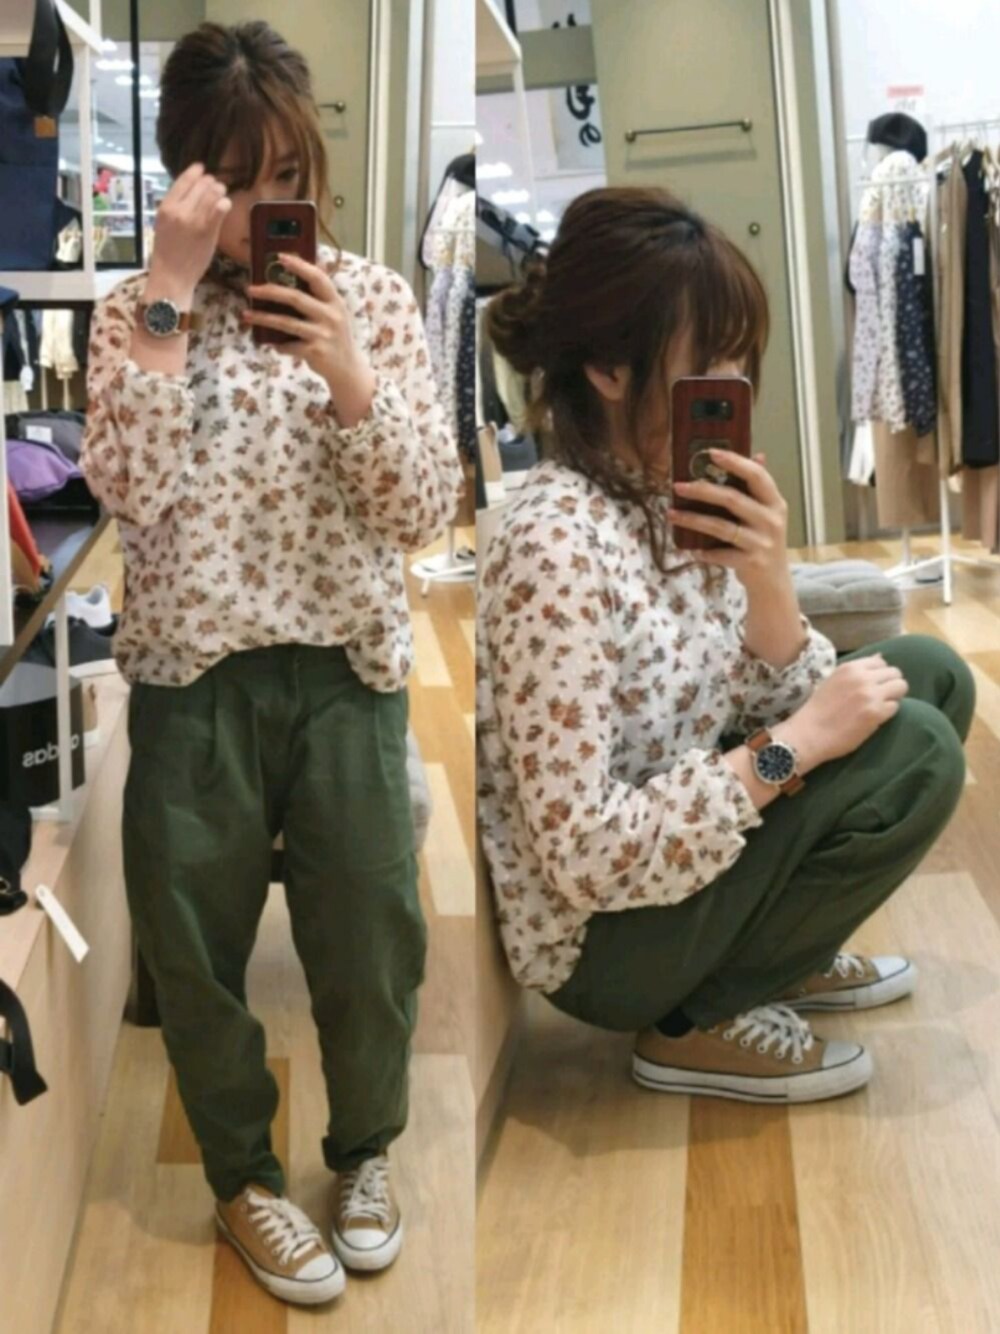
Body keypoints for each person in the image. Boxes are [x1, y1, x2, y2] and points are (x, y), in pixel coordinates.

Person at [81, 21, 462, 1307]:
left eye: (286, 175)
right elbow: (129, 491)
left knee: (372, 932)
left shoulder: (379, 301)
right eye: (233, 181)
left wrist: (345, 368)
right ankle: (242, 1177)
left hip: (343, 665)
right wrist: (169, 293)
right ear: (185, 177)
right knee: (191, 946)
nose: (261, 209)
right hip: (192, 676)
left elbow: (420, 508)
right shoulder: (136, 311)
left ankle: (363, 1154)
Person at [477, 186, 972, 1106]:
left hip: (690, 842)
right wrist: (792, 749)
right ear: (608, 368)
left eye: (742, 359)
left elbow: (751, 698)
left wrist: (769, 580)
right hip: (607, 938)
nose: (734, 389)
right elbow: (585, 853)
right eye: (710, 363)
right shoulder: (554, 545)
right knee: (919, 753)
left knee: (929, 678)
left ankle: (777, 953)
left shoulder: (667, 492)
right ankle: (695, 1021)